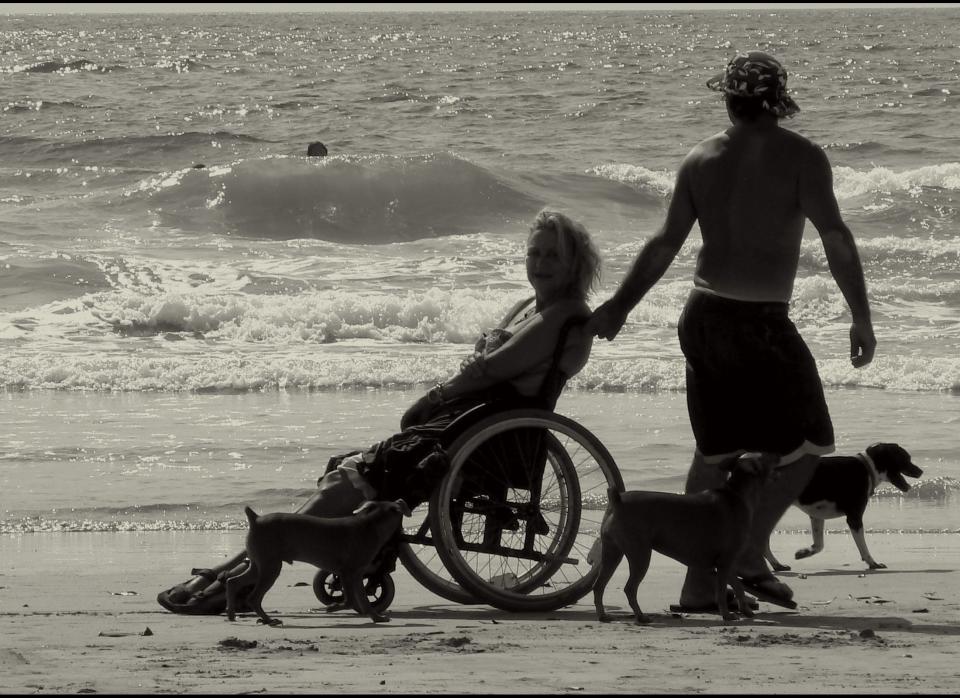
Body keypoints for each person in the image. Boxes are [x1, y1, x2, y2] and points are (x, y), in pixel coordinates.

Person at [157, 209, 601, 614]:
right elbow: (488, 362)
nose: (540, 263)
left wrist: (435, 395)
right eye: (534, 253)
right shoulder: (532, 308)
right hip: (471, 421)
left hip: (492, 436)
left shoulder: (563, 316)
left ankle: (235, 576)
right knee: (344, 475)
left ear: (573, 263)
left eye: (552, 256)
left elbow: (488, 368)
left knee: (351, 478)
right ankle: (239, 569)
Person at [587, 50, 876, 611]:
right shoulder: (802, 157)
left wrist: (620, 306)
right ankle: (745, 549)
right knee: (812, 442)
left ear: (728, 98)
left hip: (702, 318)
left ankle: (700, 587)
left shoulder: (701, 159)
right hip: (759, 323)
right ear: (779, 99)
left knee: (716, 455)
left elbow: (665, 243)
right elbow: (836, 238)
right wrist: (860, 316)